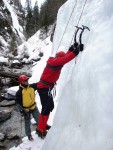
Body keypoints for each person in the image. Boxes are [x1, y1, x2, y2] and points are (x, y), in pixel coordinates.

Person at [36, 42, 84, 139]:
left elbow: (64, 57)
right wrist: (76, 51)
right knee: (46, 108)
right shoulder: (55, 62)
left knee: (49, 107)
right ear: (58, 58)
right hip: (44, 88)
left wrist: (71, 49)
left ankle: (43, 125)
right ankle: (41, 129)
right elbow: (65, 59)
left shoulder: (55, 60)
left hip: (46, 87)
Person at [16, 75, 40, 141]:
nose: (27, 81)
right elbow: (17, 102)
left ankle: (39, 131)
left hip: (34, 107)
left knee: (39, 120)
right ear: (22, 82)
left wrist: (48, 81)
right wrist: (21, 109)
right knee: (27, 123)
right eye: (25, 81)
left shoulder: (32, 87)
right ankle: (29, 135)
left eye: (27, 80)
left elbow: (40, 84)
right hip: (26, 110)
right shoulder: (19, 92)